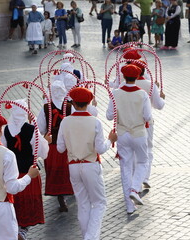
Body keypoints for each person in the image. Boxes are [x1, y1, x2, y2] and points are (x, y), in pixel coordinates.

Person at [57, 87, 117, 239]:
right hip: (90, 164)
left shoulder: (65, 122)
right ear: (89, 103)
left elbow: (60, 148)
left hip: (73, 166)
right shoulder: (95, 122)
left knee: (83, 204)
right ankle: (90, 237)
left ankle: (87, 236)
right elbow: (100, 149)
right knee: (99, 203)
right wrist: (110, 140)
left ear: (74, 103)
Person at [106, 64, 152, 214]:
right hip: (138, 133)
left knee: (125, 168)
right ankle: (135, 188)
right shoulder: (143, 94)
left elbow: (109, 116)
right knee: (143, 161)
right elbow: (147, 117)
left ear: (124, 76)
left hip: (122, 133)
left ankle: (129, 205)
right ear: (138, 77)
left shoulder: (116, 93)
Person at [1, 99, 50, 240]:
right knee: (27, 205)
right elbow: (42, 152)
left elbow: (3, 150)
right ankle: (22, 231)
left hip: (11, 174)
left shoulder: (5, 130)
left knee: (14, 205)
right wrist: (45, 141)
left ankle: (16, 230)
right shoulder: (31, 130)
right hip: (29, 173)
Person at [37, 81, 74, 212]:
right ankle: (70, 191)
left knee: (55, 172)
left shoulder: (45, 108)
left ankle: (60, 197)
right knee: (68, 171)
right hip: (68, 145)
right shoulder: (70, 107)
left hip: (52, 145)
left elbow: (40, 128)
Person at [132, 60, 165, 188]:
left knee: (134, 151)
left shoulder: (124, 85)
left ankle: (136, 177)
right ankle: (145, 177)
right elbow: (159, 105)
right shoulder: (150, 85)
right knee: (148, 149)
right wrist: (162, 97)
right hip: (147, 122)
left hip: (131, 123)